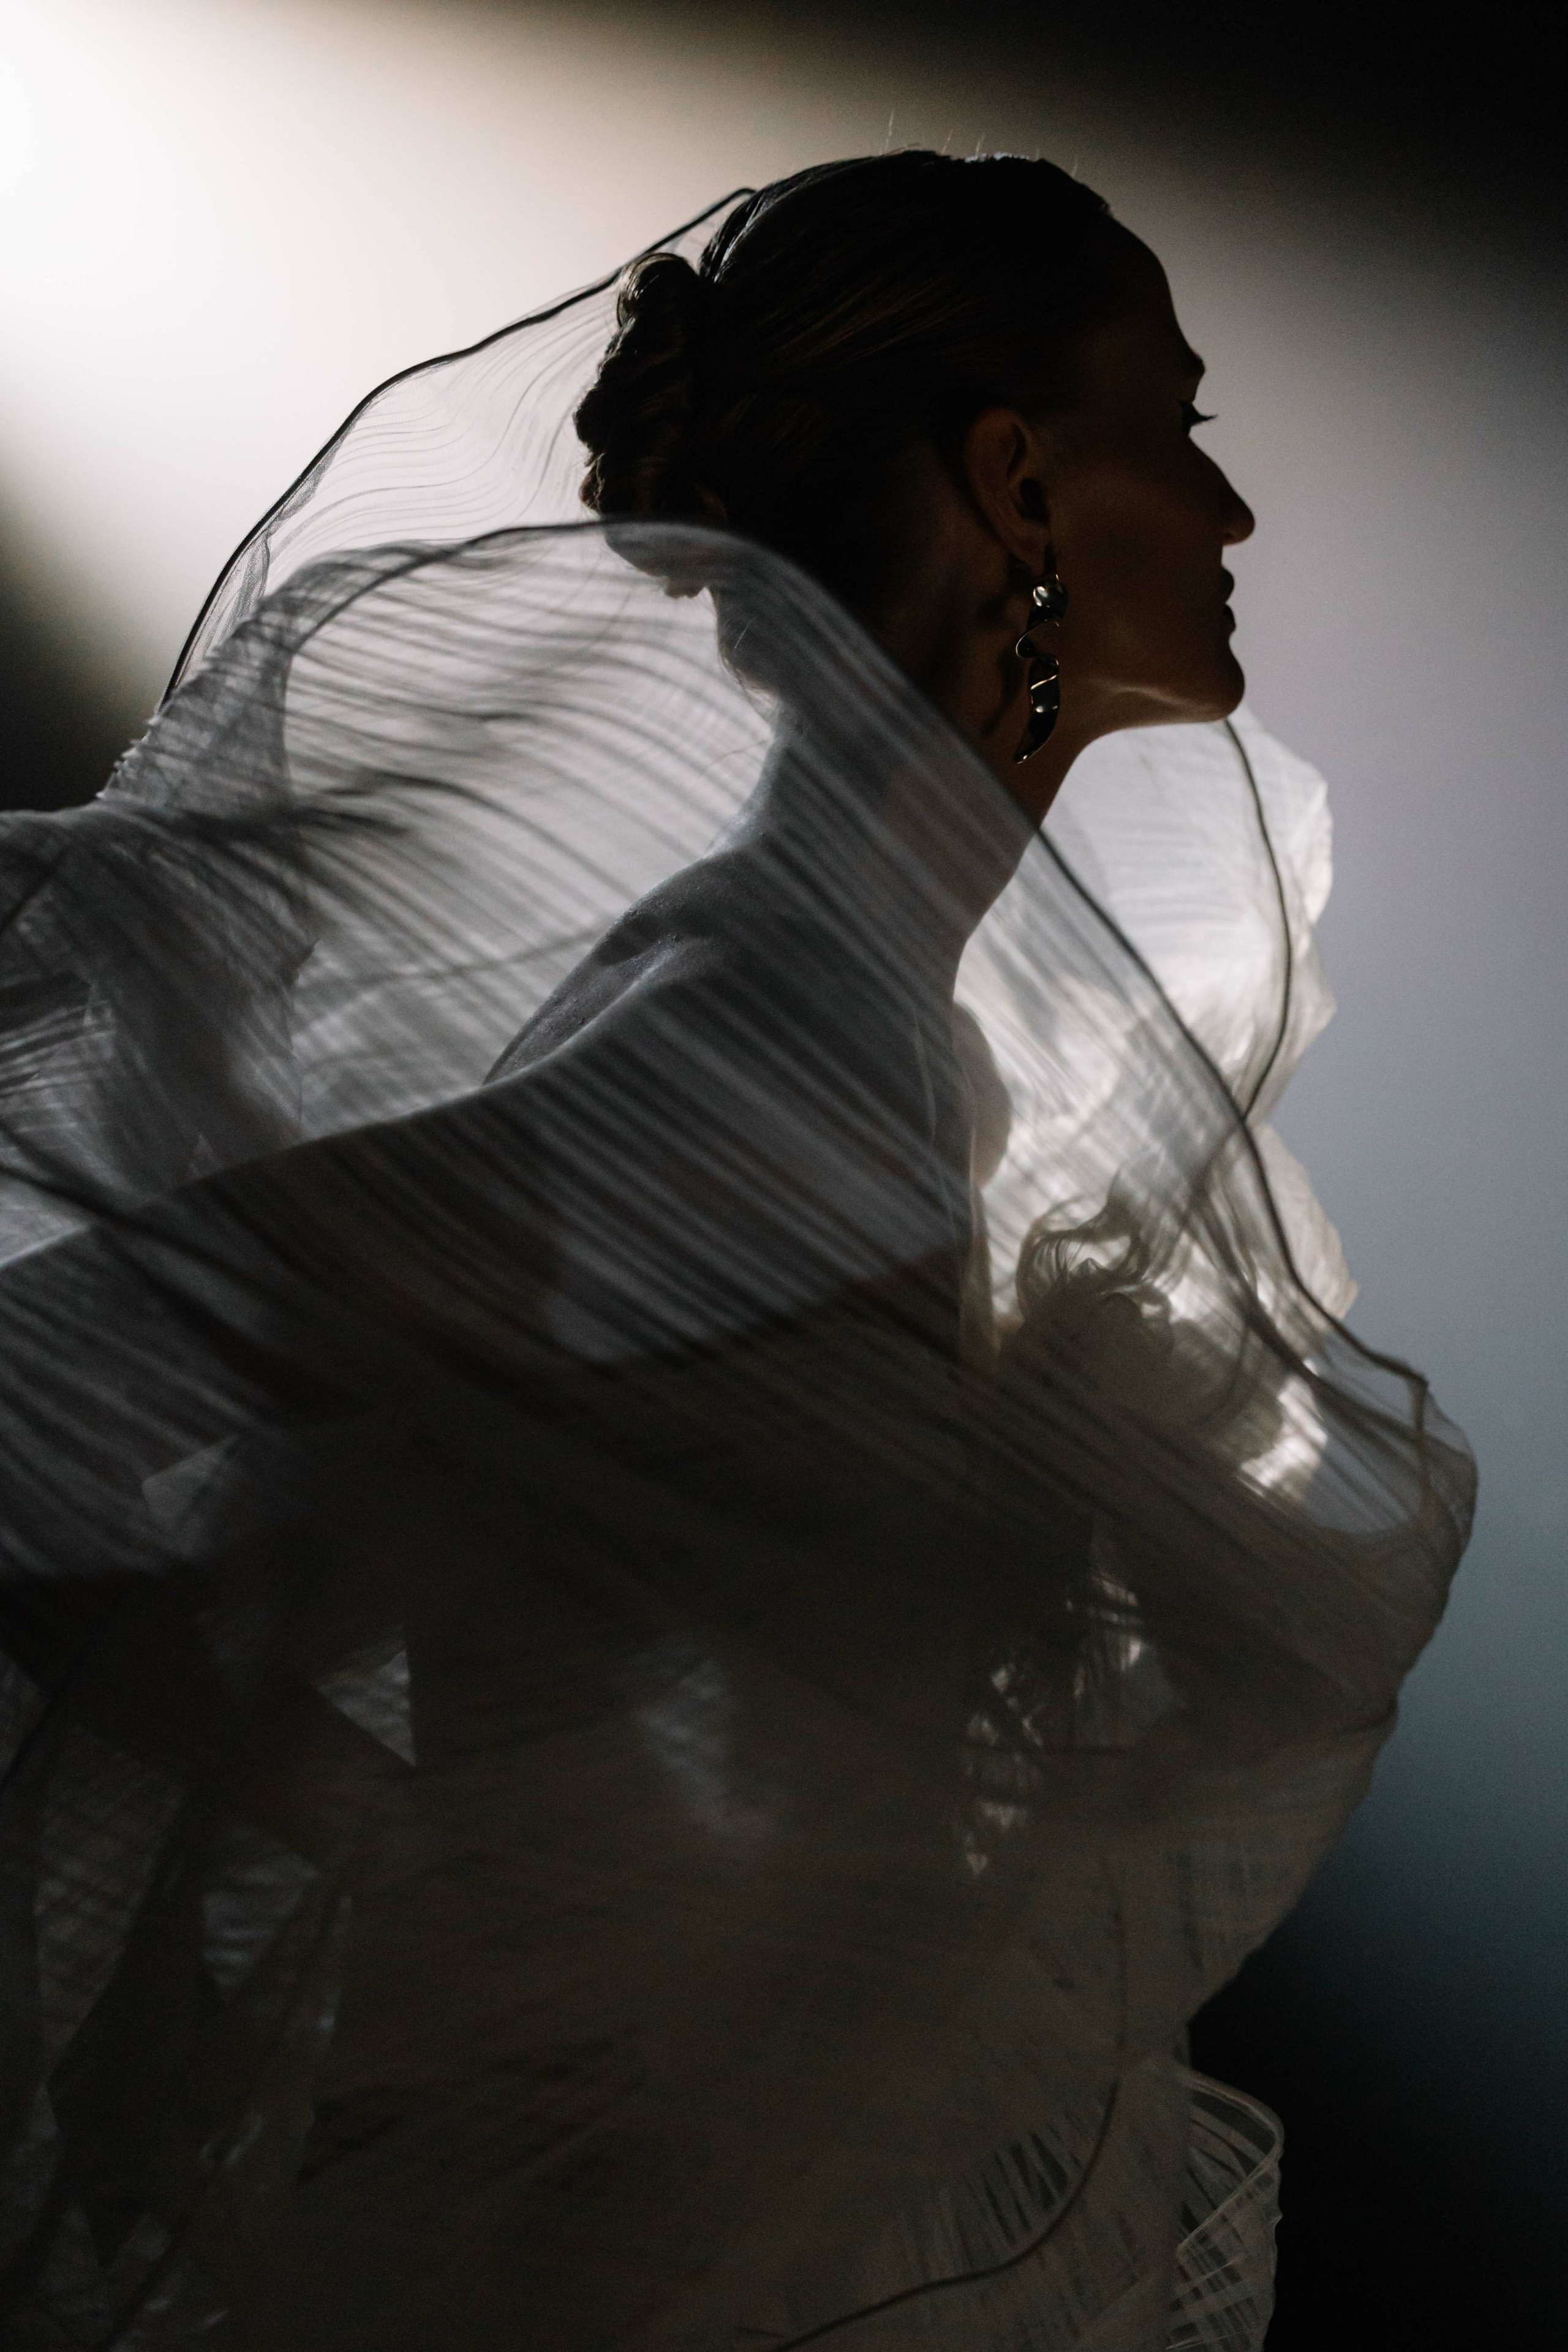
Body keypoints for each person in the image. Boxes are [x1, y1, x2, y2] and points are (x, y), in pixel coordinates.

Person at [0, 154, 1469, 2349]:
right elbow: (55, 1369)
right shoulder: (771, 1027)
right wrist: (378, 1859)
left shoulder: (888, 1030)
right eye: (1181, 424)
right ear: (1018, 482)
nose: (1233, 510)